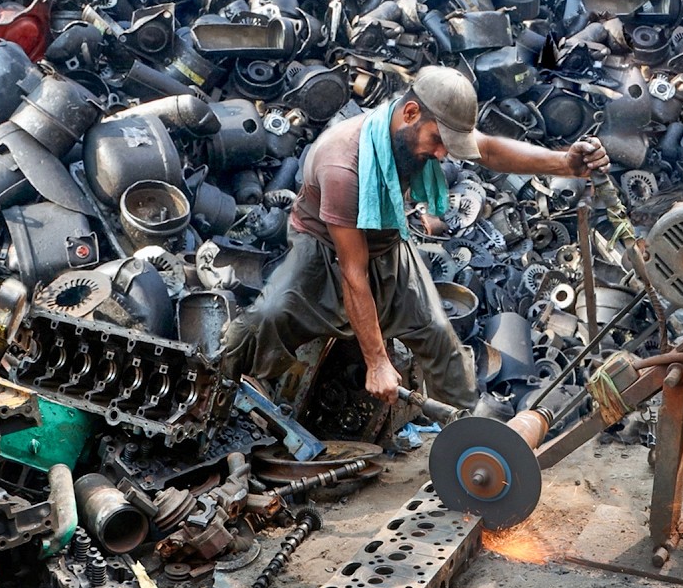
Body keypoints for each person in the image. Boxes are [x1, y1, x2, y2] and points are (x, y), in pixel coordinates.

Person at [221, 66, 610, 411]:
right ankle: (223, 395)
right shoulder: (344, 165)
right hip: (321, 247)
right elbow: (353, 274)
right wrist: (376, 362)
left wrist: (564, 163)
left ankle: (466, 439)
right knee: (264, 322)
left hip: (386, 241)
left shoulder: (419, 130)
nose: (442, 155)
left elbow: (488, 150)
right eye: (437, 142)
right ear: (410, 113)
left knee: (440, 337)